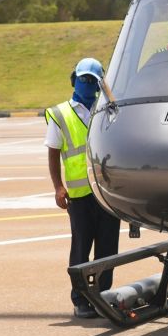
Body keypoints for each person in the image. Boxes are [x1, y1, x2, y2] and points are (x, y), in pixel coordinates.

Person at [45, 58, 121, 319]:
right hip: (79, 195)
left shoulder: (109, 109)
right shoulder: (60, 113)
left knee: (108, 248)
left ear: (101, 84)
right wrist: (58, 187)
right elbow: (53, 153)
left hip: (107, 192)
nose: (87, 84)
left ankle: (101, 294)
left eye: (92, 80)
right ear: (73, 80)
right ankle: (80, 299)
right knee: (81, 248)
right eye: (83, 79)